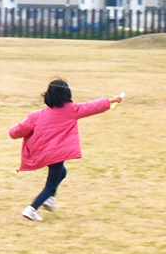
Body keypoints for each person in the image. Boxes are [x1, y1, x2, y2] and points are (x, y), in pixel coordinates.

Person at [9, 78, 123, 221]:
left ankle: (49, 199)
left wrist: (11, 130)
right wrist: (112, 101)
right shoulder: (72, 110)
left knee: (62, 173)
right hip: (56, 154)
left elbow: (18, 131)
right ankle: (32, 208)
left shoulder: (37, 115)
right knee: (51, 185)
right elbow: (92, 106)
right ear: (66, 94)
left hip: (44, 152)